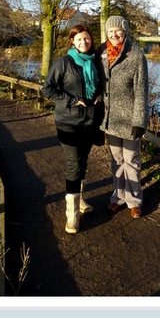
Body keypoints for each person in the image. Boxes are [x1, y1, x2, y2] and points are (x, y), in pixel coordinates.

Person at [42, 23, 103, 234]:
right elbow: (47, 89)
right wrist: (71, 100)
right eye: (79, 40)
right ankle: (72, 213)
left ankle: (81, 200)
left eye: (86, 39)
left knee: (83, 160)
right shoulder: (64, 62)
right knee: (74, 163)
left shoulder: (94, 62)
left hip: (89, 122)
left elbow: (100, 84)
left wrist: (100, 94)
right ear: (72, 42)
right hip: (68, 122)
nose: (84, 42)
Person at [96, 15, 149, 219]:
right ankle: (118, 197)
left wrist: (139, 121)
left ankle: (134, 201)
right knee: (116, 160)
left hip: (129, 120)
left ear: (125, 31)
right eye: (110, 31)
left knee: (131, 161)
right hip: (109, 120)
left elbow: (141, 91)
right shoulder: (100, 52)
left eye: (118, 31)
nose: (114, 34)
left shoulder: (135, 56)